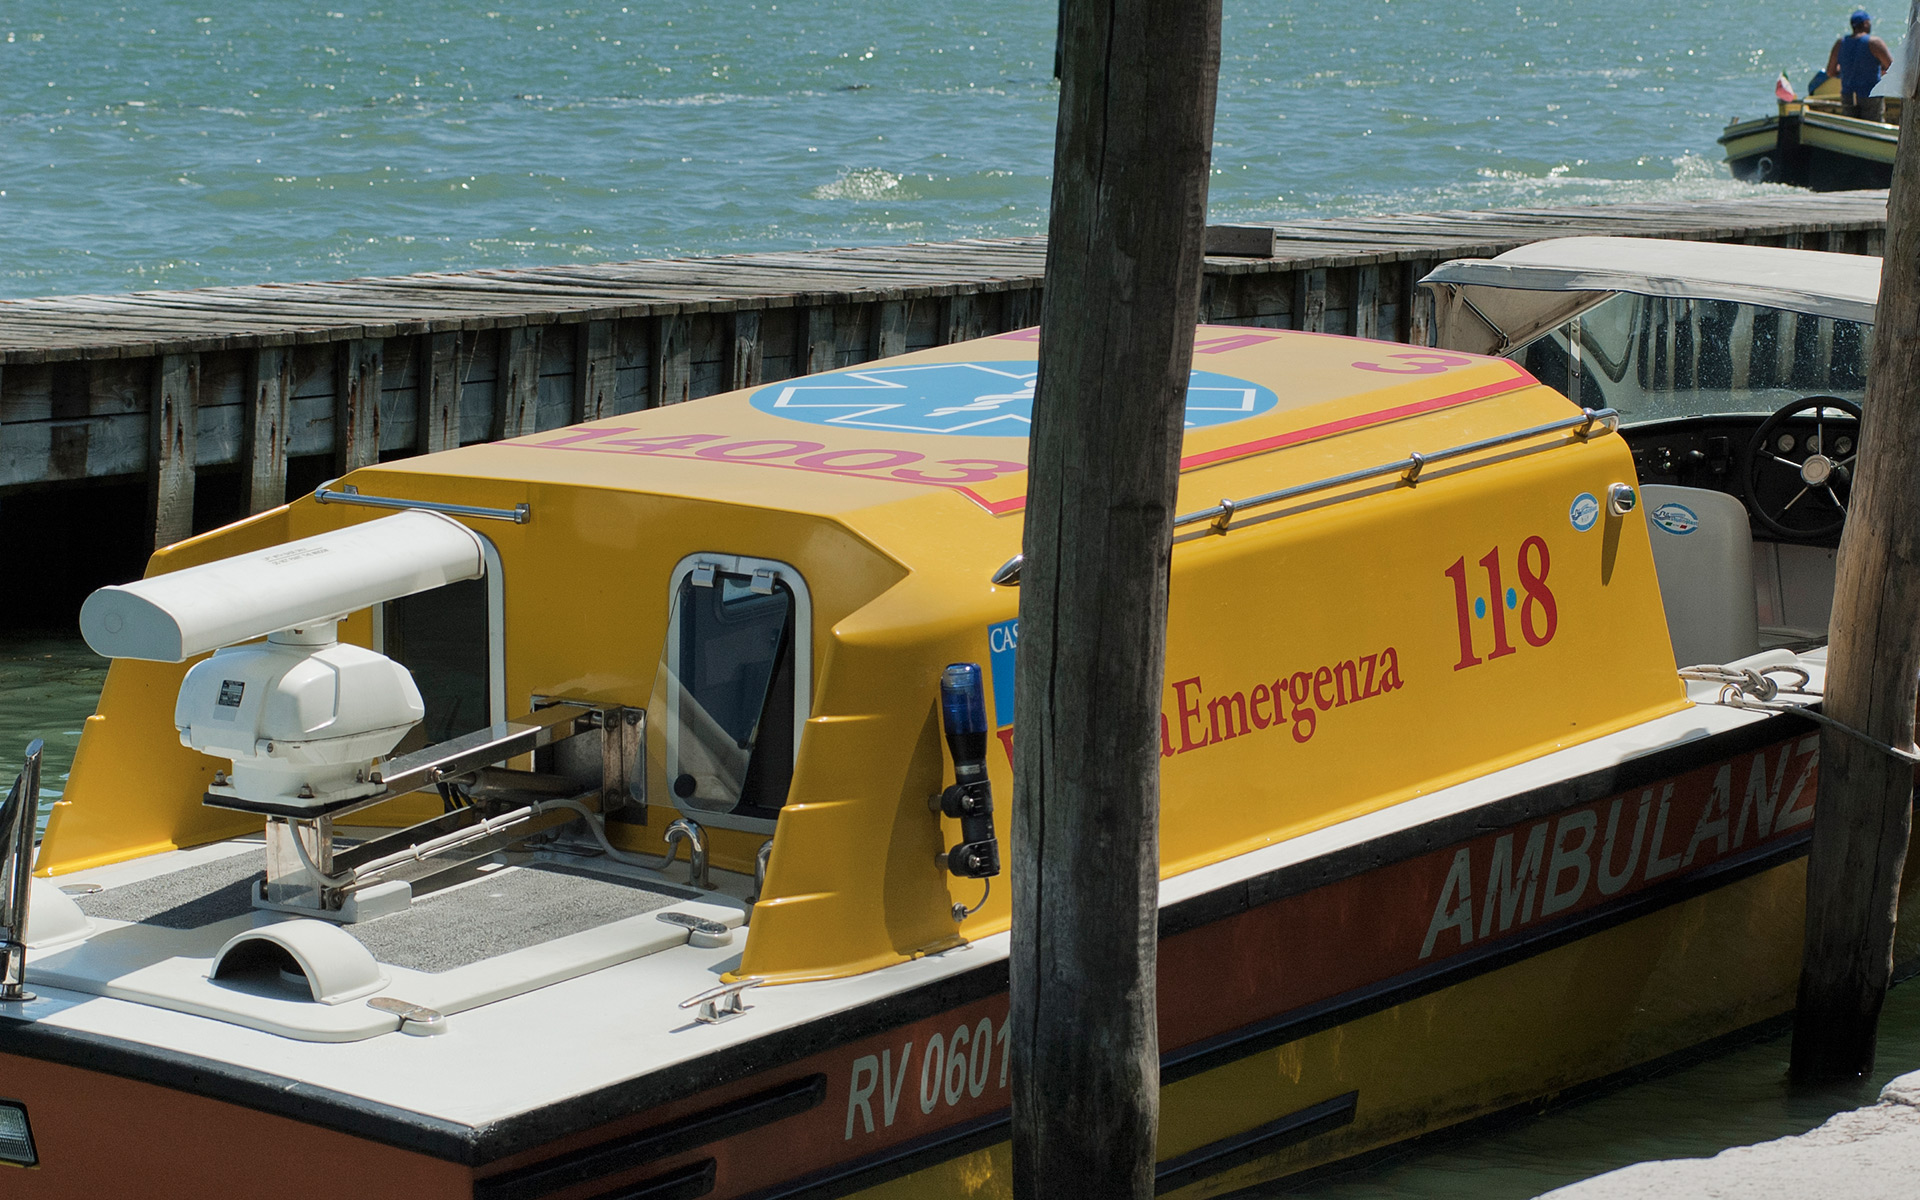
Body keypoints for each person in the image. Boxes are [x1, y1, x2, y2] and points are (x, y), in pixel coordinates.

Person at [1827, 8, 1894, 121]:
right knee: (1873, 127)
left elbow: (1830, 71)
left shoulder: (1840, 43)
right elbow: (1893, 68)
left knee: (1851, 127)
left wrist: (1845, 71)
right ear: (1866, 23)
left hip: (1849, 96)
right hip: (1870, 95)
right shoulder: (1874, 43)